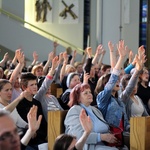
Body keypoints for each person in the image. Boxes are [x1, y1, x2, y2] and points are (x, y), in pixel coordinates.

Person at [64, 83, 118, 150]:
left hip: (104, 144)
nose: (89, 94)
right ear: (78, 98)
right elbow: (78, 135)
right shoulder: (74, 110)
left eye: (90, 92)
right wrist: (101, 137)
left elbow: (106, 128)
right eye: (85, 93)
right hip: (89, 146)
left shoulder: (95, 110)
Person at [95, 40, 130, 131]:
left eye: (118, 81)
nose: (118, 82)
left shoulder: (118, 99)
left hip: (122, 133)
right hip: (110, 134)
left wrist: (112, 52)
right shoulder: (102, 98)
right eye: (115, 81)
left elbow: (114, 73)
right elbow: (113, 77)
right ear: (105, 84)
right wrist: (121, 57)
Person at [16, 72, 47, 149]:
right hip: (28, 140)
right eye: (32, 85)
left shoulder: (37, 103)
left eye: (35, 84)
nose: (35, 87)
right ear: (24, 87)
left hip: (41, 137)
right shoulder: (19, 104)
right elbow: (23, 124)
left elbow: (43, 123)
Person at [120, 46, 149, 120]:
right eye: (132, 85)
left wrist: (140, 61)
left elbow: (146, 115)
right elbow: (132, 82)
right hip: (131, 129)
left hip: (141, 127)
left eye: (135, 85)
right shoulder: (124, 97)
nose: (134, 87)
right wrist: (138, 68)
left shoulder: (137, 98)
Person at [34, 56, 63, 122]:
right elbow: (45, 86)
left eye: (50, 85)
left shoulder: (53, 97)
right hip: (49, 127)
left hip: (59, 123)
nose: (49, 87)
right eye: (48, 86)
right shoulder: (39, 97)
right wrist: (52, 69)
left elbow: (62, 110)